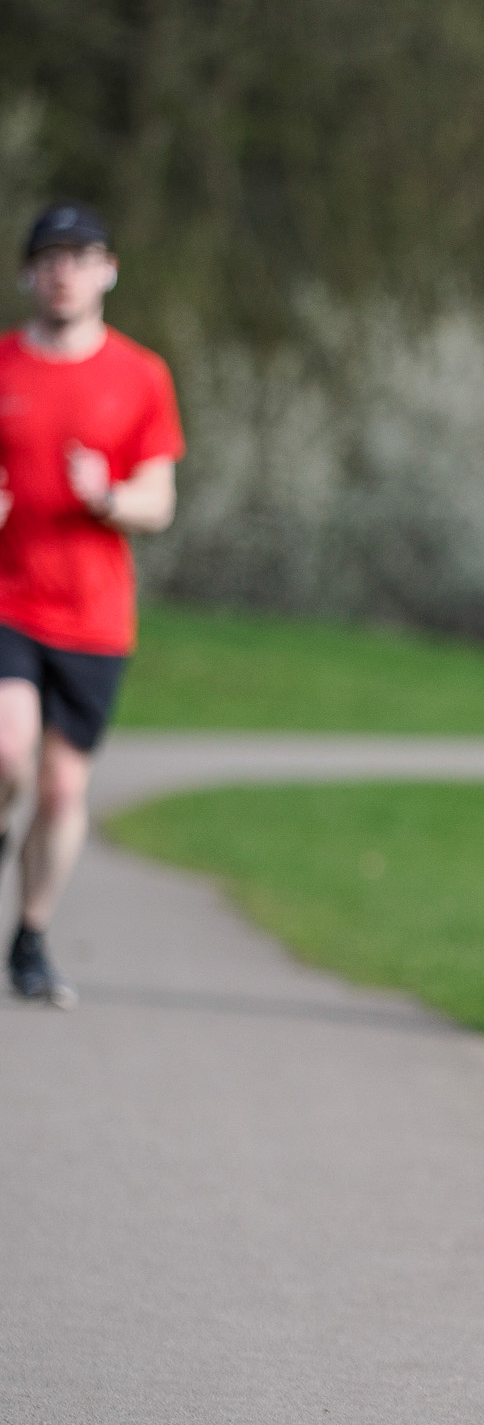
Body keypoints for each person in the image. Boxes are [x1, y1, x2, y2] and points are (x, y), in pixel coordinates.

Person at [0, 203, 182, 1007]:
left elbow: (158, 500)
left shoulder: (140, 375)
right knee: (8, 751)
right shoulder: (3, 364)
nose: (64, 270)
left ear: (107, 271)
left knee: (65, 790)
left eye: (80, 256)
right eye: (49, 257)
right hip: (8, 598)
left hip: (95, 616)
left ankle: (31, 937)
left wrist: (106, 496)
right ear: (28, 274)